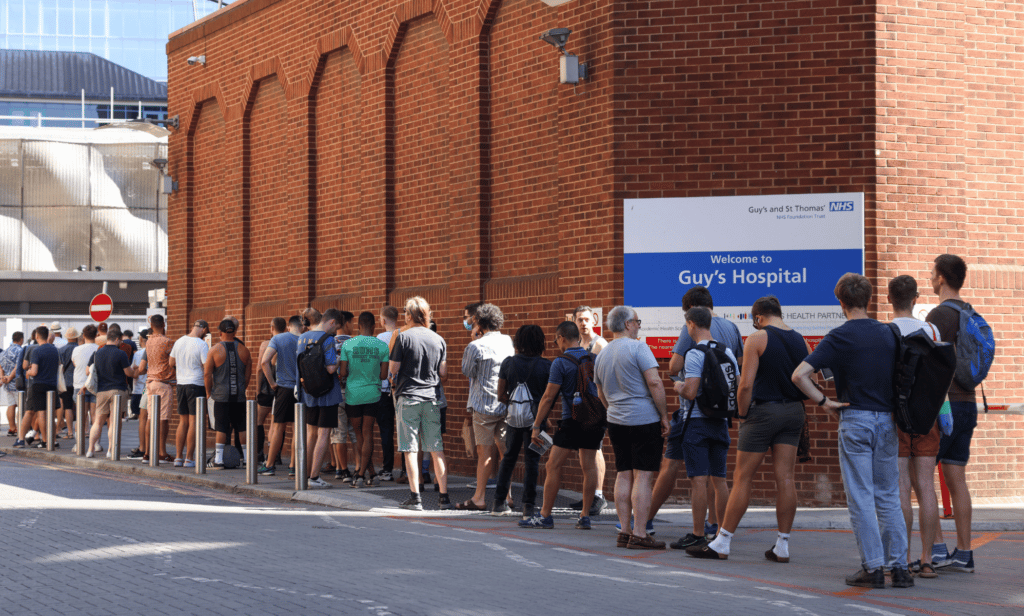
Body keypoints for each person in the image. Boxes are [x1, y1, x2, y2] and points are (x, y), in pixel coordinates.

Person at [792, 272, 913, 589]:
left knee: (861, 498)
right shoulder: (889, 333)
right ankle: (899, 567)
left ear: (841, 302)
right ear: (869, 299)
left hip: (855, 419)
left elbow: (800, 375)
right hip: (886, 420)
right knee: (888, 496)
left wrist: (824, 403)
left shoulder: (838, 337)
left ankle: (873, 567)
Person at [686, 298, 806, 562]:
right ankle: (782, 545)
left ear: (759, 317)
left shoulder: (758, 338)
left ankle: (722, 541)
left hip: (763, 411)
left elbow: (746, 385)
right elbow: (812, 379)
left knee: (743, 478)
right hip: (794, 411)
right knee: (786, 478)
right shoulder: (801, 340)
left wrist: (741, 413)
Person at [654, 286, 744, 545]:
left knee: (698, 479)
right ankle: (720, 533)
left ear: (691, 322)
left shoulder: (694, 352)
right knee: (720, 479)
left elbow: (687, 386)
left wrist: (678, 386)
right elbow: (738, 378)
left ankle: (696, 534)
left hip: (696, 418)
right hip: (721, 419)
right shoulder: (727, 347)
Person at [594, 306, 671, 549]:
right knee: (644, 477)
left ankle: (624, 530)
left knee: (624, 473)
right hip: (643, 419)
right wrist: (664, 416)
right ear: (627, 324)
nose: (639, 325)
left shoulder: (602, 354)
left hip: (616, 420)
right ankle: (640, 533)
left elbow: (600, 392)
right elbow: (655, 382)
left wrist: (612, 410)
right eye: (637, 321)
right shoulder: (639, 347)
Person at [927, 254, 982, 573]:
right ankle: (964, 553)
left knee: (921, 476)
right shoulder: (969, 311)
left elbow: (926, 361)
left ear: (942, 279)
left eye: (932, 274)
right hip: (969, 402)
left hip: (944, 406)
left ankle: (936, 549)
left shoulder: (940, 314)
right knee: (956, 478)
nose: (930, 279)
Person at [886, 275, 943, 578]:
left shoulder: (887, 332)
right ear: (916, 298)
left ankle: (903, 558)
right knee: (926, 487)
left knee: (900, 489)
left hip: (896, 417)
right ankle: (927, 559)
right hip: (927, 416)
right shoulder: (931, 329)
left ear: (888, 299)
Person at [521, 321, 604, 530]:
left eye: (556, 339)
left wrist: (537, 425)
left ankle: (545, 515)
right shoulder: (594, 358)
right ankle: (585, 516)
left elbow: (549, 397)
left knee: (552, 465)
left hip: (572, 420)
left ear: (562, 338)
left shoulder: (560, 362)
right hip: (595, 419)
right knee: (589, 466)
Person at [389, 296, 451, 510]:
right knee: (436, 449)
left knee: (411, 449)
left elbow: (394, 369)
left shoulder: (403, 338)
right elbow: (443, 372)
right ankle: (444, 498)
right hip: (432, 398)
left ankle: (415, 498)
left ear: (408, 315)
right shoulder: (438, 339)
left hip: (408, 398)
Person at [457, 303, 514, 511]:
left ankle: (479, 497)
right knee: (505, 450)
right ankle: (507, 496)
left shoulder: (475, 346)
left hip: (483, 406)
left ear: (479, 322)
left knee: (485, 453)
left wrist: (474, 339)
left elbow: (467, 371)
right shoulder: (507, 340)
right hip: (504, 404)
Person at [493, 325, 551, 518]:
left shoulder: (508, 363)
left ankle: (499, 502)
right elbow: (548, 397)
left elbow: (500, 394)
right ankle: (529, 506)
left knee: (508, 458)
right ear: (539, 342)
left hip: (513, 420)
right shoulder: (546, 366)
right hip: (536, 421)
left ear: (518, 342)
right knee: (532, 461)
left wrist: (515, 404)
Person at [339, 311, 390, 487]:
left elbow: (343, 372)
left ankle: (360, 473)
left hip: (353, 394)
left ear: (359, 326)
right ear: (374, 326)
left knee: (358, 434)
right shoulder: (382, 346)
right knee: (368, 432)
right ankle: (370, 474)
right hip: (373, 393)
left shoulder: (348, 344)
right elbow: (384, 375)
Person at [297, 308, 344, 489]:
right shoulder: (328, 339)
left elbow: (299, 367)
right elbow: (331, 368)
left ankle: (305, 473)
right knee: (324, 434)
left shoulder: (302, 338)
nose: (336, 331)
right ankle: (315, 477)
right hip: (327, 393)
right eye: (336, 327)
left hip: (309, 392)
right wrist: (339, 358)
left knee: (311, 433)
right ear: (331, 322)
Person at [569, 305, 608, 516]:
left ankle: (598, 496)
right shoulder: (577, 344)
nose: (583, 323)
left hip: (595, 404)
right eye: (579, 320)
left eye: (586, 319)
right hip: (580, 405)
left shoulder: (600, 344)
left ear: (593, 320)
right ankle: (588, 495)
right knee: (585, 452)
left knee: (596, 450)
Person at [204, 319, 252, 469]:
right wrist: (241, 388)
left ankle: (218, 460)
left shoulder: (214, 350)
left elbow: (207, 374)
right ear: (235, 332)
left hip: (221, 395)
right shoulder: (244, 350)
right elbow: (247, 375)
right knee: (242, 427)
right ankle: (246, 459)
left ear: (220, 333)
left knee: (221, 427)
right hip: (238, 395)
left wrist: (208, 393)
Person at [258, 315, 302, 477]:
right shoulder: (307, 339)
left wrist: (272, 383)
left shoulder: (279, 338)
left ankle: (269, 465)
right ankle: (294, 466)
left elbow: (264, 362)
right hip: (302, 389)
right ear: (302, 327)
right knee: (297, 428)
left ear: (288, 326)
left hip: (283, 388)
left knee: (278, 426)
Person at [86, 324, 136, 458]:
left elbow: (88, 371)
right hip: (118, 390)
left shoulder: (97, 353)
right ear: (117, 339)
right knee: (114, 422)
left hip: (101, 391)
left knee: (98, 422)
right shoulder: (121, 353)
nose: (121, 343)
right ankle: (110, 450)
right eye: (120, 340)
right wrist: (136, 371)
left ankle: (90, 450)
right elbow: (129, 373)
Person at [169, 320, 209, 465]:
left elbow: (171, 363)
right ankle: (189, 458)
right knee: (194, 422)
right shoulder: (202, 344)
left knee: (183, 421)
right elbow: (206, 366)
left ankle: (178, 457)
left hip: (181, 385)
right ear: (203, 329)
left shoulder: (179, 341)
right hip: (196, 384)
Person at [137, 315, 175, 462]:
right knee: (163, 419)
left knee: (150, 418)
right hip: (163, 383)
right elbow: (174, 360)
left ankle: (147, 452)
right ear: (163, 324)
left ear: (151, 326)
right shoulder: (167, 342)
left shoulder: (149, 342)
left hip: (150, 383)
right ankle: (162, 452)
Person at [21, 326, 60, 449]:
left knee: (42, 415)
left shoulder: (37, 351)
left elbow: (34, 371)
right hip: (52, 385)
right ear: (47, 335)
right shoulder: (55, 350)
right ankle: (52, 440)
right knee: (51, 415)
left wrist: (28, 372)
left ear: (37, 336)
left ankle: (45, 440)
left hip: (39, 385)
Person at [255, 318, 286, 462]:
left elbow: (259, 369)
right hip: (282, 388)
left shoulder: (265, 344)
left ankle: (259, 452)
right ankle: (276, 454)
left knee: (259, 420)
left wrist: (257, 390)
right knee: (278, 423)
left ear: (271, 328)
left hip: (266, 388)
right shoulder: (288, 343)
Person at [375, 305, 399, 481]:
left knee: (386, 430)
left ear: (383, 320)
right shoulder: (403, 335)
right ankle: (407, 469)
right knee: (406, 431)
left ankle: (387, 469)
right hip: (400, 389)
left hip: (383, 390)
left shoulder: (379, 339)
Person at [70, 326, 99, 451]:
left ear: (83, 336)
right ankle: (95, 444)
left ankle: (78, 444)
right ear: (96, 335)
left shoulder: (76, 349)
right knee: (95, 416)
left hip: (79, 385)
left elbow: (74, 363)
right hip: (94, 385)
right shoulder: (99, 349)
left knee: (81, 416)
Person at [56, 327, 80, 437]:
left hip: (66, 382)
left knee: (68, 407)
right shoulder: (80, 349)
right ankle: (82, 431)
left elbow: (61, 368)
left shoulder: (61, 350)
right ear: (76, 337)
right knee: (81, 407)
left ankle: (70, 432)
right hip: (79, 381)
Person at [1, 332, 24, 437]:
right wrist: (10, 377)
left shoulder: (5, 351)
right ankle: (20, 428)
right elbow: (18, 366)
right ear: (21, 339)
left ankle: (12, 428)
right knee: (21, 406)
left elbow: (0, 366)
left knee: (11, 405)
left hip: (7, 383)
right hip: (17, 383)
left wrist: (3, 378)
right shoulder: (20, 350)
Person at [129, 330, 148, 421]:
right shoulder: (153, 351)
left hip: (138, 389)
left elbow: (134, 371)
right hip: (148, 388)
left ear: (141, 339)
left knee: (140, 417)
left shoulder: (138, 354)